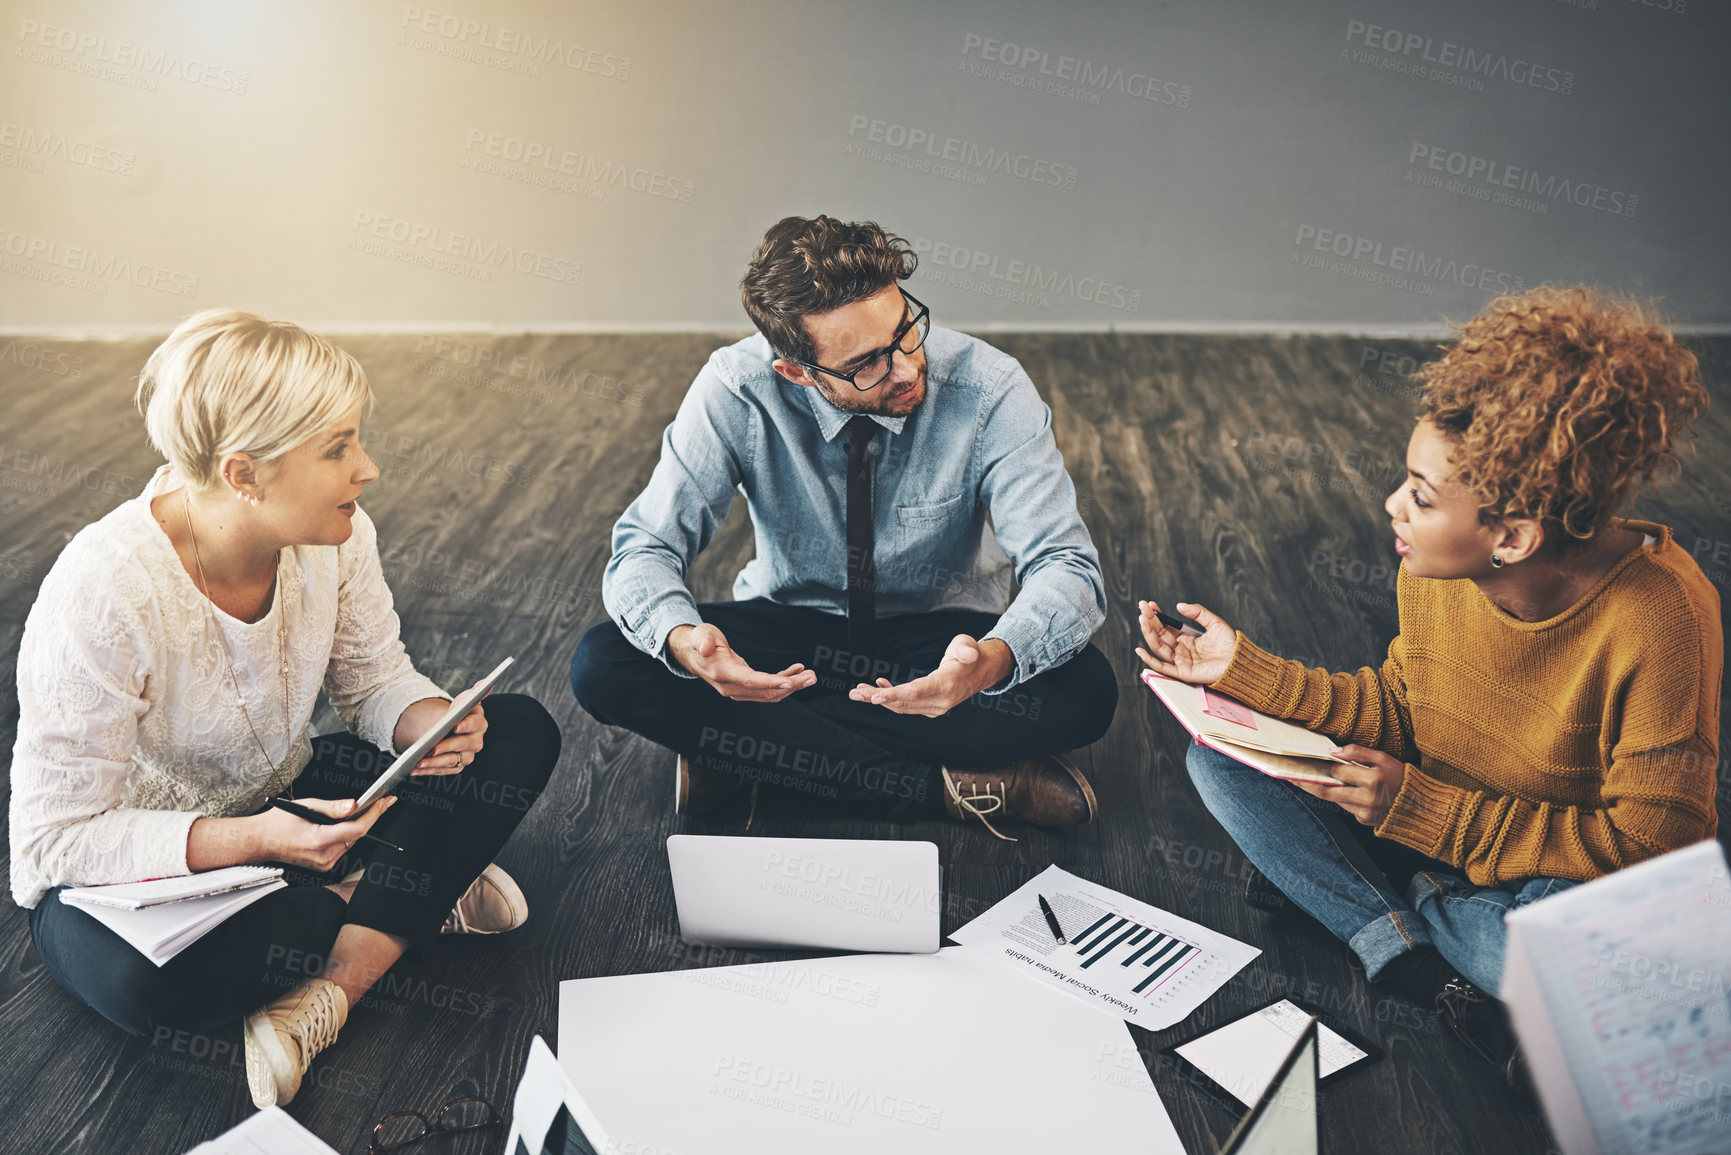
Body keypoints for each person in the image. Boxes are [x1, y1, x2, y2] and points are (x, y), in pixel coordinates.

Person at [1137, 286, 1719, 1084]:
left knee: (1574, 959)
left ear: (1511, 536)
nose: (1391, 507)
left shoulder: (1662, 615)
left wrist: (1421, 818)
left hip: (1545, 873)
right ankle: (1418, 959)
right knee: (1218, 761)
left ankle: (1381, 901)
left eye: (1419, 495)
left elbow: (1655, 851)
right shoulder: (1437, 567)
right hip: (1429, 812)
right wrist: (1245, 674)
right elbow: (1406, 707)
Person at [9, 310, 561, 1108]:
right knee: (143, 987)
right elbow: (53, 840)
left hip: (290, 805)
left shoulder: (338, 534)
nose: (366, 469)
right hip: (139, 868)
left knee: (516, 732)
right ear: (243, 474)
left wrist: (427, 724)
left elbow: (373, 680)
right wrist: (257, 840)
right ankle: (408, 891)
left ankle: (332, 987)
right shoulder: (102, 592)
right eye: (337, 449)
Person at [570, 215, 1117, 838]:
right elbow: (646, 545)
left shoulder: (990, 386)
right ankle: (940, 791)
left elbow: (1066, 565)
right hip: (795, 637)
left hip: (937, 644)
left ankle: (754, 755)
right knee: (605, 661)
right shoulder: (736, 388)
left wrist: (991, 662)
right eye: (867, 365)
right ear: (797, 372)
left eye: (906, 331)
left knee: (1087, 692)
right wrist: (687, 644)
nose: (908, 369)